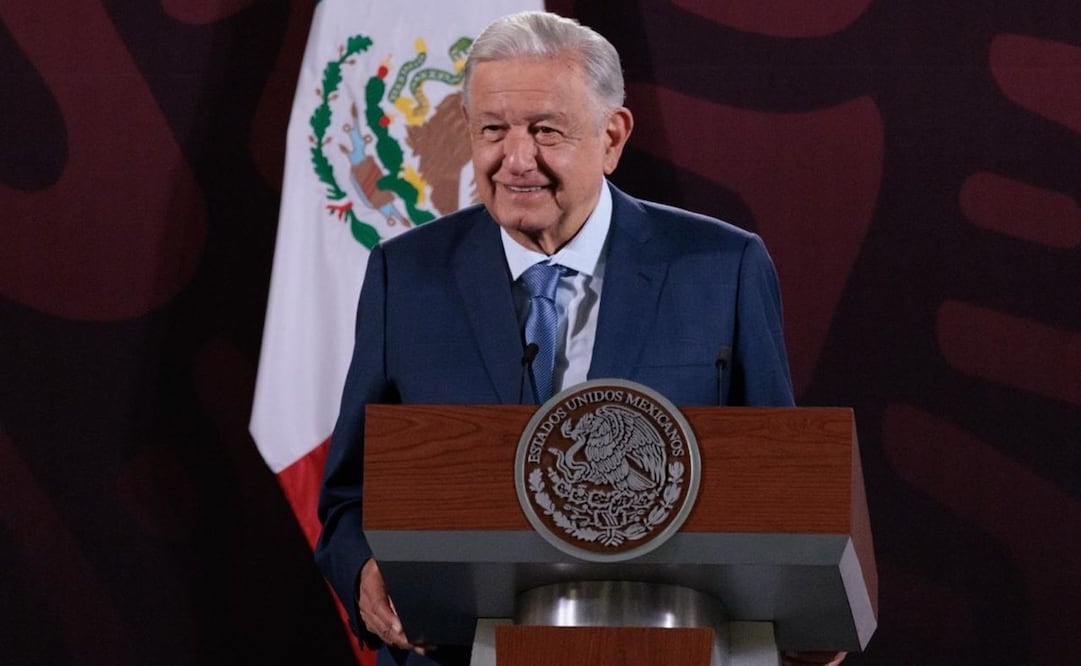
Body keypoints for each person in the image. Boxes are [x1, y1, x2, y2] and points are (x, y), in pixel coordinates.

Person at [315, 10, 814, 666]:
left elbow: (781, 493)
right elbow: (348, 493)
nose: (516, 159)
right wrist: (364, 572)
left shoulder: (721, 269)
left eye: (545, 130)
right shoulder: (405, 275)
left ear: (612, 136)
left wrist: (806, 615)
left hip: (659, 647)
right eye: (492, 130)